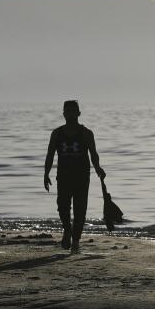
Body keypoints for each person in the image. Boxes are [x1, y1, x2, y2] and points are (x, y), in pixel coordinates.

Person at [44, 100, 105, 254]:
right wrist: (46, 173)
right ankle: (67, 231)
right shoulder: (57, 133)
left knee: (80, 210)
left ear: (78, 113)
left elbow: (93, 154)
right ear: (63, 114)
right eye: (67, 111)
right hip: (63, 176)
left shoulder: (86, 133)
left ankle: (76, 240)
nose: (70, 114)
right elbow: (50, 154)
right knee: (63, 207)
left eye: (73, 111)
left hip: (82, 177)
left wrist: (98, 168)